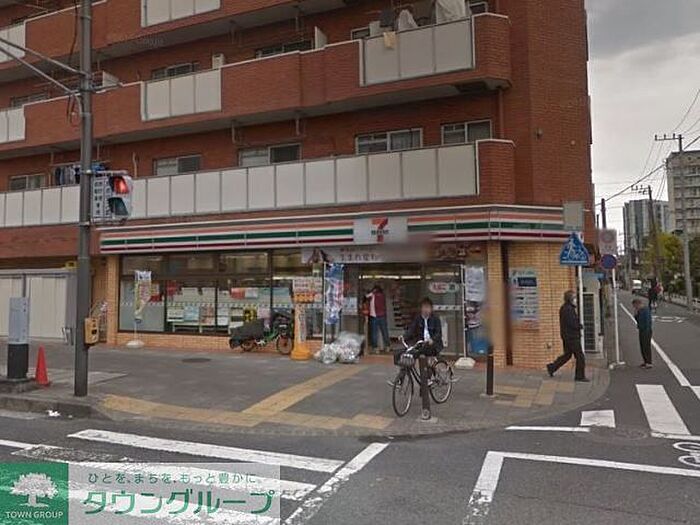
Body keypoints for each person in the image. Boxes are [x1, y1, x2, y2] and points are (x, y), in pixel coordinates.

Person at [547, 290, 589, 382]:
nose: (576, 300)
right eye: (574, 298)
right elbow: (572, 323)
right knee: (580, 357)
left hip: (567, 336)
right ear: (570, 299)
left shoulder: (565, 308)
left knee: (567, 355)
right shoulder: (568, 309)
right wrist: (580, 326)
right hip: (572, 337)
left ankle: (552, 367)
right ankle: (580, 376)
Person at [366, 285, 390, 352]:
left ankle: (375, 347)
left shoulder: (373, 295)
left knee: (374, 332)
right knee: (384, 331)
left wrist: (370, 292)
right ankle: (387, 346)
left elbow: (366, 296)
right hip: (382, 315)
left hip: (374, 316)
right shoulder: (382, 296)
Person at [632, 298, 653, 368]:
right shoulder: (640, 311)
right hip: (641, 330)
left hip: (646, 331)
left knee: (646, 346)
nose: (635, 308)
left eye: (635, 306)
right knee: (642, 346)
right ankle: (645, 361)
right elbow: (638, 320)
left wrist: (646, 330)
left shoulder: (645, 310)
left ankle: (649, 362)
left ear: (638, 304)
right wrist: (636, 315)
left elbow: (648, 321)